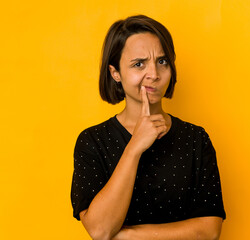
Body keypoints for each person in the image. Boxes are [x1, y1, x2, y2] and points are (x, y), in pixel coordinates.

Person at [71, 15, 226, 240]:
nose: (153, 74)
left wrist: (128, 236)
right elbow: (100, 230)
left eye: (162, 61)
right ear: (115, 73)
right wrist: (135, 147)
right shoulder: (92, 141)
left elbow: (209, 231)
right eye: (139, 64)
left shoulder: (195, 139)